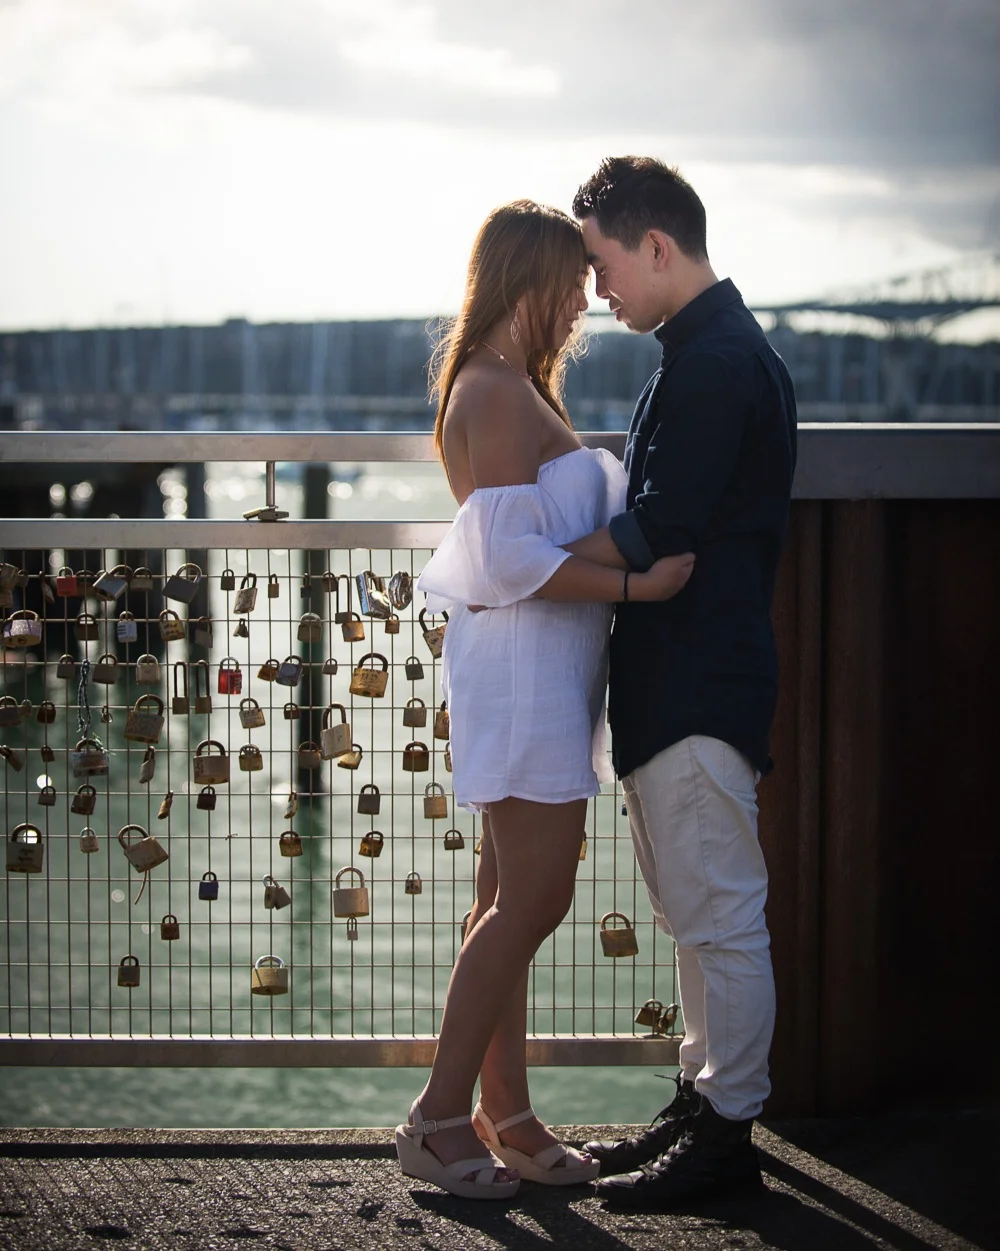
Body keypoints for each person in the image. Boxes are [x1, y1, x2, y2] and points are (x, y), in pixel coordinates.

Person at [398, 199, 695, 1200]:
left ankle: (508, 1117)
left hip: (537, 669)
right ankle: (437, 1119)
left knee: (505, 900)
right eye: (571, 283)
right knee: (534, 898)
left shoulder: (512, 387)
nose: (583, 303)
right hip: (523, 672)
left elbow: (526, 545)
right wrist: (636, 586)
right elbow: (503, 561)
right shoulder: (492, 390)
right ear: (526, 277)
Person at [565, 157, 798, 1209]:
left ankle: (726, 1139)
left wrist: (526, 552)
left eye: (602, 265)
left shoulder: (712, 364)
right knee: (694, 916)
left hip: (697, 682)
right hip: (686, 682)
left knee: (720, 918)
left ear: (655, 245)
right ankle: (703, 1105)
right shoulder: (706, 351)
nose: (595, 290)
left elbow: (663, 528)